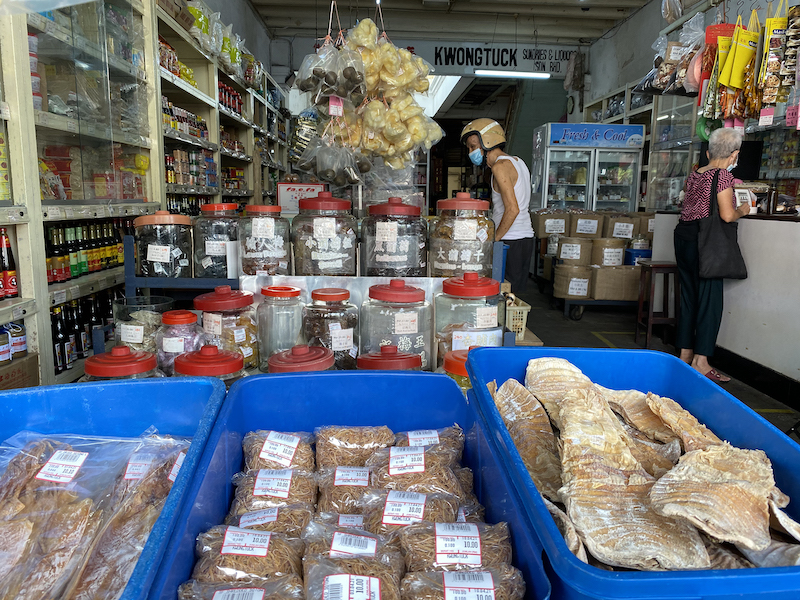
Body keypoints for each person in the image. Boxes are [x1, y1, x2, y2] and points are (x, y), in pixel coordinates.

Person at [674, 127, 749, 384]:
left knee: (689, 297)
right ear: (734, 155)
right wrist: (745, 209)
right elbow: (727, 215)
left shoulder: (695, 174)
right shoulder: (723, 177)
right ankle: (702, 361)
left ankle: (684, 354)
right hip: (705, 243)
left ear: (707, 152)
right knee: (710, 301)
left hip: (683, 238)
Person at [461, 119, 534, 294]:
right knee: (513, 296)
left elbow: (513, 209)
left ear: (487, 142)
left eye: (473, 147)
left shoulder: (500, 167)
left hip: (511, 240)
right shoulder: (518, 162)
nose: (471, 152)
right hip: (524, 238)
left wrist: (494, 241)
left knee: (505, 296)